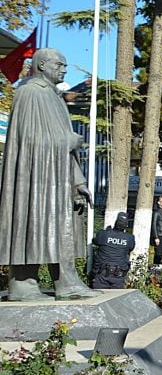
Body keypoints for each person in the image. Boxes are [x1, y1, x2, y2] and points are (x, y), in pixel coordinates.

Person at [0, 48, 96, 301]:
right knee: (32, 225)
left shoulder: (54, 97)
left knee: (60, 227)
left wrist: (79, 182)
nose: (64, 69)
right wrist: (68, 140)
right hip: (35, 178)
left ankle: (66, 281)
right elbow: (29, 139)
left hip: (59, 175)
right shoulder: (29, 93)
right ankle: (22, 284)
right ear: (41, 65)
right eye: (60, 65)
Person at [91, 212, 136, 289]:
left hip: (102, 274)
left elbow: (95, 241)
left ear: (115, 222)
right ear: (126, 226)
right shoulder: (129, 238)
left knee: (99, 299)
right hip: (118, 276)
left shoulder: (104, 234)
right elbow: (130, 248)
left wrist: (108, 231)